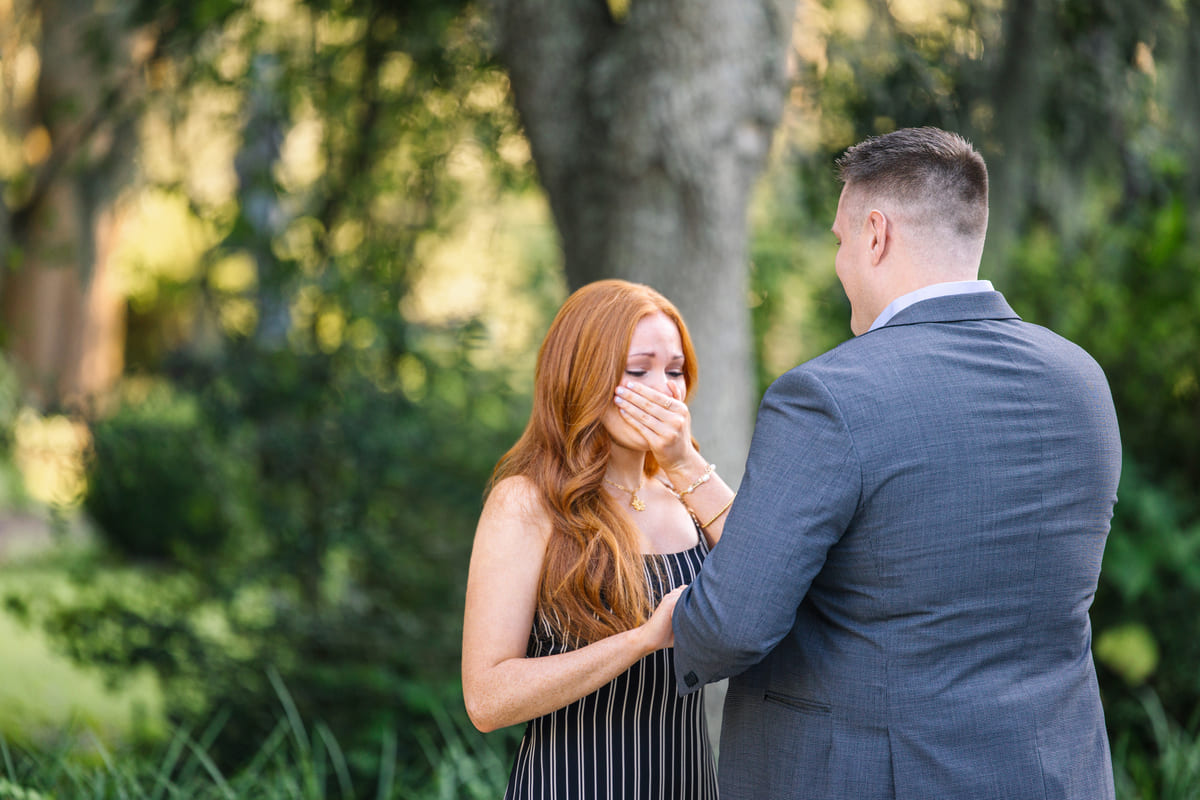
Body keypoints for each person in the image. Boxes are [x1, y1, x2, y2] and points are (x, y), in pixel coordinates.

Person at [671, 127, 1122, 799]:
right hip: (1056, 775)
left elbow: (731, 626)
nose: (840, 261)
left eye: (840, 239)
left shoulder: (827, 396)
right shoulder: (1080, 381)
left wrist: (669, 618)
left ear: (876, 234)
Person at [463, 279, 735, 799]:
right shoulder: (526, 502)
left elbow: (769, 574)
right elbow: (486, 700)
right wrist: (642, 640)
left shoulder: (686, 492)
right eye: (638, 370)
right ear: (582, 376)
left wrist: (684, 464)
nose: (664, 389)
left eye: (675, 371)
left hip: (689, 782)